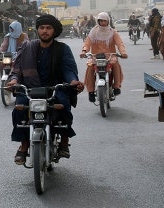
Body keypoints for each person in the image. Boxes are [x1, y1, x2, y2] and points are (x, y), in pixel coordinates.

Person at [7, 14, 84, 165]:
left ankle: (64, 141)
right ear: (38, 30)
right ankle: (23, 145)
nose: (45, 31)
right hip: (30, 89)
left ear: (54, 31)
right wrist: (14, 80)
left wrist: (73, 81)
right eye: (42, 28)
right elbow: (17, 69)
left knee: (64, 105)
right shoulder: (27, 47)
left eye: (48, 28)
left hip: (55, 88)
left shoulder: (63, 49)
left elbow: (68, 69)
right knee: (19, 109)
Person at [80, 12, 128, 102]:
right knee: (90, 67)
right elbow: (87, 43)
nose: (102, 23)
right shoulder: (93, 32)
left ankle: (117, 86)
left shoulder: (113, 32)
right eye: (100, 21)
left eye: (104, 21)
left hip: (110, 56)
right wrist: (84, 51)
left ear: (108, 21)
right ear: (98, 21)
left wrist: (123, 52)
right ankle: (90, 92)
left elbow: (120, 43)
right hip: (95, 57)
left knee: (115, 64)